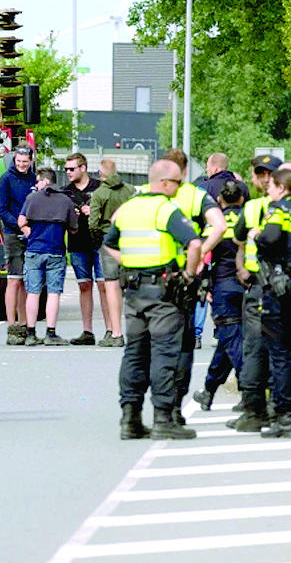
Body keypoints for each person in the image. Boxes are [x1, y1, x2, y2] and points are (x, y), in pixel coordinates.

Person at [103, 159, 202, 440]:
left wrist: (132, 264)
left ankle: (130, 418)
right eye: (177, 183)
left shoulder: (128, 209)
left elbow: (109, 243)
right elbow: (194, 244)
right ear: (163, 183)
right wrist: (189, 274)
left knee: (134, 354)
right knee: (164, 354)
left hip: (134, 292)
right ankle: (162, 419)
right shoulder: (166, 210)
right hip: (163, 292)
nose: (179, 187)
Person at [159, 148, 226, 424]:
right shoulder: (196, 194)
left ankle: (145, 410)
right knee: (184, 344)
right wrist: (198, 257)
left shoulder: (143, 193)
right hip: (184, 275)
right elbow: (218, 226)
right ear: (185, 171)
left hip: (149, 277)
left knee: (153, 346)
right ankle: (174, 407)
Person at [227, 154, 281, 431]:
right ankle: (260, 410)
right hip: (258, 284)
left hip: (270, 287)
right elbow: (238, 242)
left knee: (264, 351)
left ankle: (261, 411)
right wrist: (241, 268)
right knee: (261, 350)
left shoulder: (278, 207)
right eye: (260, 174)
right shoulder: (252, 208)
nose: (264, 179)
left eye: (268, 174)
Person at [252, 168, 291, 438]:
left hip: (282, 288)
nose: (267, 190)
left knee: (282, 353)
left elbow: (270, 238)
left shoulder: (279, 210)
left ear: (282, 188)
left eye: (271, 186)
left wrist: (256, 237)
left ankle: (285, 416)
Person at [192, 181, 246, 412]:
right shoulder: (249, 218)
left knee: (231, 340)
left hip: (223, 286)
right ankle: (209, 390)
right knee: (228, 339)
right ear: (242, 199)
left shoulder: (216, 223)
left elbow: (205, 255)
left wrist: (202, 284)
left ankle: (251, 391)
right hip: (248, 285)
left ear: (221, 201)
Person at [16, 168, 79, 345]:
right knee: (53, 293)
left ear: (44, 181)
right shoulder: (66, 201)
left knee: (33, 292)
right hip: (55, 251)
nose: (36, 185)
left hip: (34, 250)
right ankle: (51, 334)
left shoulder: (32, 199)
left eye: (38, 181)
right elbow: (74, 229)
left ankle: (30, 333)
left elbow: (21, 221)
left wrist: (30, 232)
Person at [63, 152, 110, 345]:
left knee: (104, 286)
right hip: (77, 244)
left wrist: (95, 213)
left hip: (99, 243)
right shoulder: (65, 192)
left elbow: (111, 213)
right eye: (66, 169)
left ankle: (110, 329)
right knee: (84, 285)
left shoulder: (99, 188)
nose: (68, 172)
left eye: (72, 169)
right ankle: (87, 331)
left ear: (83, 168)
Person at [88, 158, 136, 347]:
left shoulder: (99, 193)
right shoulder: (130, 190)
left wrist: (98, 239)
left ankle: (116, 333)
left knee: (112, 286)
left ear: (101, 175)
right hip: (132, 241)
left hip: (109, 242)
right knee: (134, 286)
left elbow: (92, 223)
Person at [0, 145, 37, 345]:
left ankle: (24, 324)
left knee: (26, 282)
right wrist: (20, 225)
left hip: (32, 234)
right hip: (13, 233)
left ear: (30, 161)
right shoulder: (5, 179)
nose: (21, 165)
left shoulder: (33, 179)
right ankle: (12, 326)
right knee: (13, 279)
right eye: (18, 161)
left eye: (25, 162)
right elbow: (1, 210)